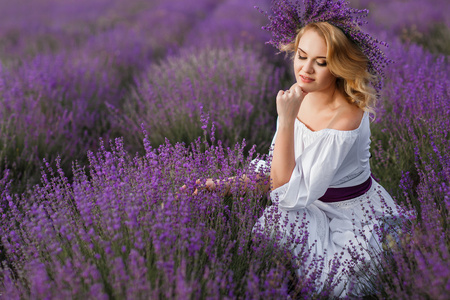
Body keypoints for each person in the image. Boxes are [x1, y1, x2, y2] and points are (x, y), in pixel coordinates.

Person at [249, 0, 401, 297]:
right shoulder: (302, 94)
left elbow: (284, 192)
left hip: (350, 215)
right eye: (302, 56)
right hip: (307, 200)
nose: (305, 70)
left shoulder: (344, 117)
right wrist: (224, 185)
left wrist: (286, 117)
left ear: (340, 65)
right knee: (268, 239)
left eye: (321, 62)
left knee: (337, 285)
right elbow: (279, 171)